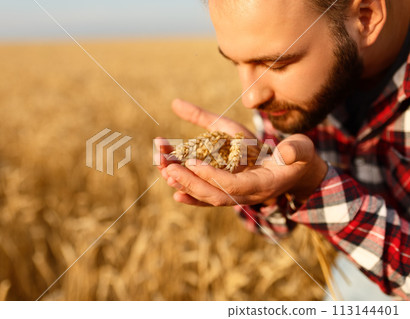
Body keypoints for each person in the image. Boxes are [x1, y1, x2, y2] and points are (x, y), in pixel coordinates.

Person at [156, 0, 410, 300]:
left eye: (276, 64)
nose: (250, 97)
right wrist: (264, 181)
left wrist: (314, 187)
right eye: (236, 62)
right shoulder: (288, 87)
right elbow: (274, 227)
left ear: (366, 17)